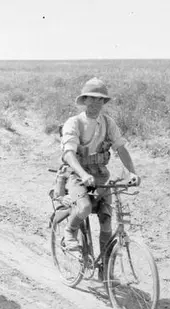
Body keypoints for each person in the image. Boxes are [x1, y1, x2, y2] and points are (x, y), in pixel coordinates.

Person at [59, 77, 141, 278]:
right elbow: (69, 154)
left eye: (100, 100)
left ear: (104, 103)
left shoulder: (107, 123)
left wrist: (132, 172)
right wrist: (83, 173)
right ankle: (70, 232)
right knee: (85, 208)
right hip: (78, 175)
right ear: (85, 100)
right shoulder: (74, 123)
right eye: (92, 99)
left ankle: (105, 264)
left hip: (100, 176)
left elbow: (120, 148)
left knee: (107, 221)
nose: (96, 104)